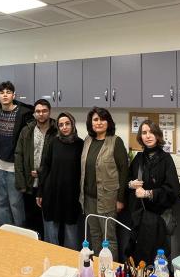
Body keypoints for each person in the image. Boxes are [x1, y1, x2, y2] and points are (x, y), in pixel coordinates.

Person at [126, 120, 180, 265]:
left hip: (159, 218)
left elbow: (174, 190)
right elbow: (127, 180)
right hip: (141, 219)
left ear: (158, 135)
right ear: (140, 136)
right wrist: (131, 184)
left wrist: (149, 193)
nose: (148, 136)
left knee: (160, 260)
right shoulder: (138, 158)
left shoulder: (166, 159)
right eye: (144, 133)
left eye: (151, 132)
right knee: (141, 259)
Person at [80, 107, 129, 259]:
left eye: (103, 119)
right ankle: (96, 266)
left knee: (108, 238)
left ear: (108, 122)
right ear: (91, 123)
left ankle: (111, 269)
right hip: (89, 198)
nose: (99, 122)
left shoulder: (115, 141)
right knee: (94, 234)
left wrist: (120, 199)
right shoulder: (88, 140)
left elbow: (124, 171)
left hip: (108, 198)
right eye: (95, 119)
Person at [0, 81, 34, 227]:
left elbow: (39, 121)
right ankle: (5, 232)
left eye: (8, 92)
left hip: (15, 167)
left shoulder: (23, 113)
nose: (5, 95)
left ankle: (19, 234)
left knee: (15, 204)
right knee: (1, 203)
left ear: (14, 95)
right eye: (2, 93)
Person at [37, 112, 83, 248]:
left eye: (67, 124)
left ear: (73, 124)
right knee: (51, 231)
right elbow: (45, 167)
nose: (64, 127)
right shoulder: (53, 142)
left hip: (71, 195)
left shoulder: (80, 144)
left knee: (71, 232)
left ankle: (70, 259)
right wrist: (40, 192)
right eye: (61, 125)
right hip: (52, 193)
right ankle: (52, 258)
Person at [15, 99, 57, 238]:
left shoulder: (57, 131)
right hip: (30, 183)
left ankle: (48, 246)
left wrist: (43, 172)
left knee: (50, 222)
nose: (41, 114)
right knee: (32, 220)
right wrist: (21, 182)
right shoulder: (27, 130)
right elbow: (19, 155)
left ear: (49, 112)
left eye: (44, 111)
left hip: (49, 184)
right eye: (38, 111)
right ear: (34, 113)